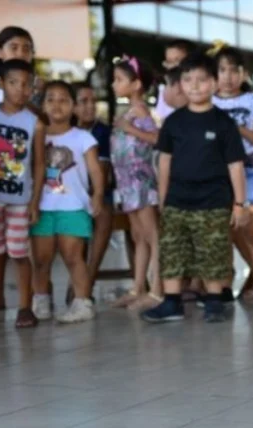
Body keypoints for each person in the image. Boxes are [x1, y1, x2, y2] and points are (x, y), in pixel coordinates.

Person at [142, 53, 248, 324]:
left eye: (202, 80)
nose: (195, 86)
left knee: (212, 250)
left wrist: (239, 203)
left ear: (214, 84)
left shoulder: (223, 123)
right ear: (180, 84)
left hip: (213, 201)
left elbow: (235, 165)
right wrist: (163, 198)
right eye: (188, 80)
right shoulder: (174, 122)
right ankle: (172, 302)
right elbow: (164, 162)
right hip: (177, 199)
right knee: (172, 249)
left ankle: (214, 301)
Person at [0, 59, 45, 328]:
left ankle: (25, 307)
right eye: (14, 83)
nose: (20, 89)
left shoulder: (34, 122)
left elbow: (38, 163)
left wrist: (35, 201)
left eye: (26, 84)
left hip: (19, 199)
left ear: (33, 88)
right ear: (1, 84)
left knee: (18, 252)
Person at [30, 81, 105, 323]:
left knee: (74, 257)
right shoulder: (35, 136)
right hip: (41, 207)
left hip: (73, 207)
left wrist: (98, 195)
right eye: (50, 99)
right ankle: (41, 298)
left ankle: (82, 302)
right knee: (41, 259)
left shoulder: (83, 137)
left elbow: (95, 171)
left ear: (73, 107)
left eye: (64, 100)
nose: (57, 104)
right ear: (42, 105)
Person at [211, 46, 253, 309]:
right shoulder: (209, 101)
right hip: (216, 173)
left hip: (248, 169)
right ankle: (225, 284)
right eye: (222, 70)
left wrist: (237, 130)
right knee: (222, 229)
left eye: (233, 70)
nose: (227, 76)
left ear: (243, 73)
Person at [110, 55, 163, 311]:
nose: (113, 84)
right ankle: (138, 286)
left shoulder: (140, 111)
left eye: (119, 79)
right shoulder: (129, 111)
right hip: (127, 184)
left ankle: (158, 289)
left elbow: (156, 139)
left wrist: (129, 130)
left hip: (141, 182)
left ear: (136, 84)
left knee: (152, 235)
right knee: (138, 236)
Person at [72, 82, 113, 303]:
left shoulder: (102, 131)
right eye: (83, 102)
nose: (90, 107)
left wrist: (91, 193)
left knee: (103, 211)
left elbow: (103, 172)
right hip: (69, 192)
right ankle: (77, 280)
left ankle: (89, 277)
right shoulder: (64, 128)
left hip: (96, 190)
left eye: (93, 102)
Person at [155, 39, 194, 123]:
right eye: (169, 62)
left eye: (178, 61)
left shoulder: (200, 89)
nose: (173, 66)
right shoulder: (165, 90)